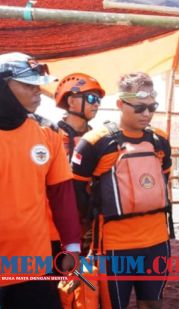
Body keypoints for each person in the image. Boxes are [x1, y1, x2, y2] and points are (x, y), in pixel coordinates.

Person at [0, 52, 81, 309]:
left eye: (39, 84)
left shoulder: (47, 136)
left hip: (33, 267)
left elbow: (62, 194)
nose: (38, 92)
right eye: (28, 85)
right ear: (0, 86)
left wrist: (72, 246)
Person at [72, 72, 172, 309]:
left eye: (151, 107)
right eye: (138, 108)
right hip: (114, 244)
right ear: (120, 104)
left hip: (157, 239)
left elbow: (165, 180)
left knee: (152, 303)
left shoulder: (159, 140)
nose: (146, 114)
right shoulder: (95, 142)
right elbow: (76, 192)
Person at [53, 73, 105, 256]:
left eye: (98, 100)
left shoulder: (100, 139)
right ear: (71, 101)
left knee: (89, 280)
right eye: (91, 98)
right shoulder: (49, 136)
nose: (96, 104)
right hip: (56, 224)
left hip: (91, 225)